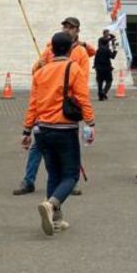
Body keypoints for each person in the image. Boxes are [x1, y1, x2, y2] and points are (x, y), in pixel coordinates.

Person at [22, 31, 96, 235]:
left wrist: (26, 130)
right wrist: (90, 122)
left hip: (42, 129)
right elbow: (83, 98)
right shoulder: (73, 68)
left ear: (52, 49)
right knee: (71, 174)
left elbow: (33, 104)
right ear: (71, 49)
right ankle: (51, 205)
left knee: (53, 173)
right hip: (65, 129)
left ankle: (56, 219)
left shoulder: (40, 72)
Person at [15, 16, 92, 196]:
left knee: (66, 150)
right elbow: (36, 71)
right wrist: (40, 66)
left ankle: (68, 184)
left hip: (67, 108)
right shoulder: (51, 49)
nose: (67, 29)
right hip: (47, 105)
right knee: (38, 147)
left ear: (77, 31)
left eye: (71, 27)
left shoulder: (80, 52)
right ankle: (29, 180)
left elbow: (82, 82)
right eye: (65, 26)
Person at [94, 29, 117, 101]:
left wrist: (95, 65)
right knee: (109, 81)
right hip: (107, 68)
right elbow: (112, 56)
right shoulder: (107, 50)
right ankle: (103, 92)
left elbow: (96, 58)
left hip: (99, 68)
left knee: (100, 82)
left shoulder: (98, 50)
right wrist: (115, 49)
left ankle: (100, 94)